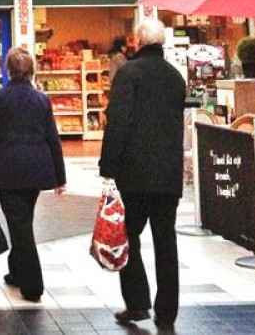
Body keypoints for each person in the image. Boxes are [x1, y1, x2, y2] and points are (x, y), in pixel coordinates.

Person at [99, 20, 185, 330]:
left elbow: (118, 123)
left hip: (134, 175)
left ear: (137, 41)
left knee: (129, 236)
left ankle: (137, 302)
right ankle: (167, 311)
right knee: (166, 241)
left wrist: (107, 166)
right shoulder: (176, 77)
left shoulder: (129, 74)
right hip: (167, 175)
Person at [0, 47, 66, 303]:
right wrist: (60, 178)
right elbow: (53, 139)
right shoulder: (41, 99)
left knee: (20, 225)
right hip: (38, 170)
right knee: (22, 220)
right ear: (31, 71)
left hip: (9, 170)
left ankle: (33, 285)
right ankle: (16, 271)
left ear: (9, 71)